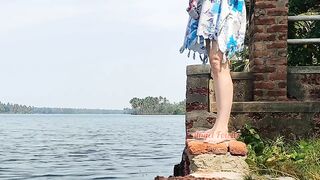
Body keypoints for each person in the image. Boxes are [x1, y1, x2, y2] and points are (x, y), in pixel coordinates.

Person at [180, 0, 247, 144]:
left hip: (227, 4)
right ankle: (218, 126)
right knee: (214, 61)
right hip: (210, 5)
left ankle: (222, 129)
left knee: (219, 60)